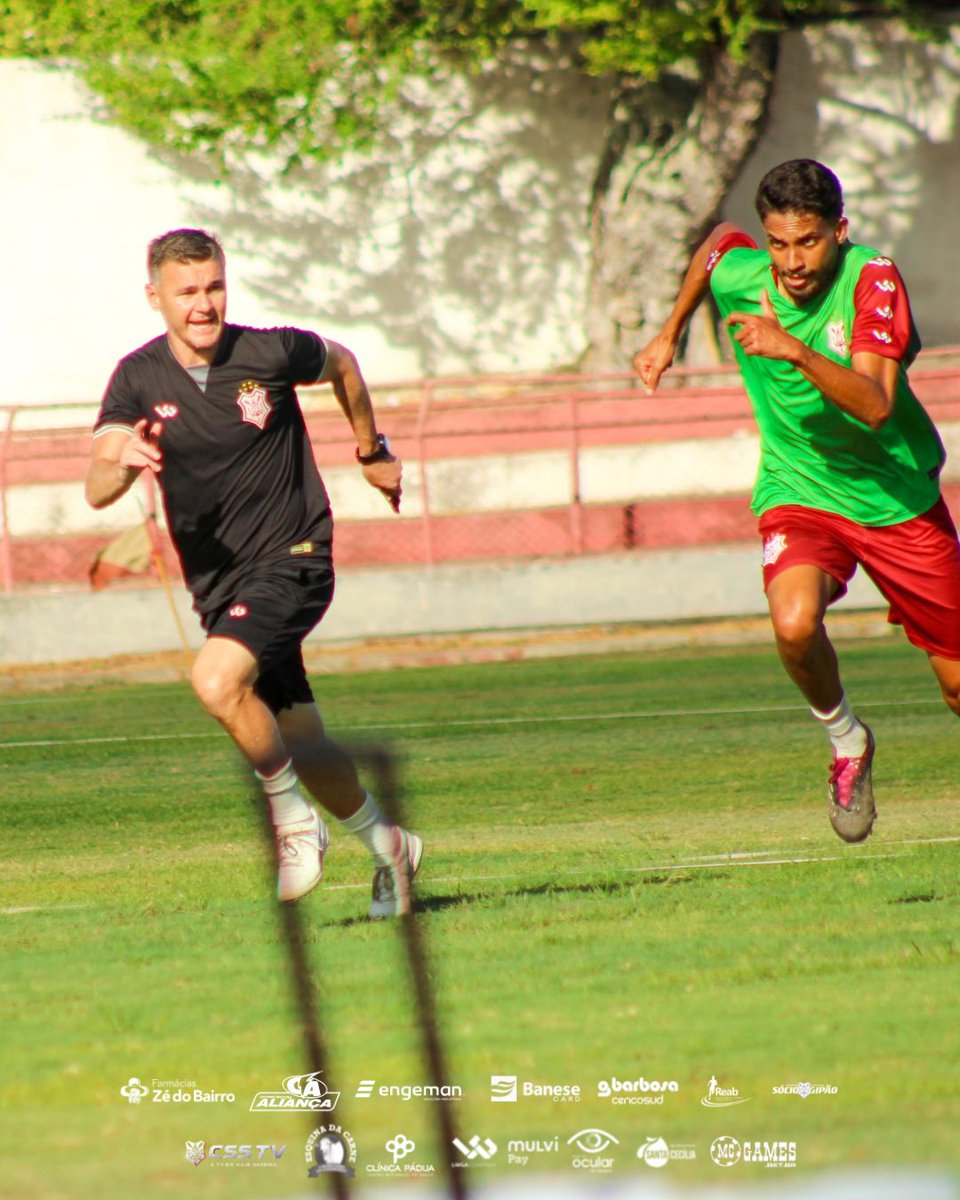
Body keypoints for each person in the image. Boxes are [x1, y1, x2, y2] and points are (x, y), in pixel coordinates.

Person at [85, 227, 422, 915]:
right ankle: (394, 849)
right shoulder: (137, 377)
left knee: (214, 679)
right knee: (301, 737)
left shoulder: (269, 351)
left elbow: (345, 364)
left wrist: (371, 451)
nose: (203, 304)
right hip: (220, 587)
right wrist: (121, 463)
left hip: (295, 556)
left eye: (213, 287)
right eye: (186, 292)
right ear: (156, 298)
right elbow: (95, 485)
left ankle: (294, 823)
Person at [634, 158, 960, 843]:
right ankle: (847, 743)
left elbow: (874, 404)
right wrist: (670, 332)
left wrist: (791, 349)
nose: (791, 261)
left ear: (839, 231)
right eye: (778, 242)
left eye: (807, 241)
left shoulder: (873, 278)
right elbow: (718, 242)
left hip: (893, 498)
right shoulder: (746, 271)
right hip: (799, 488)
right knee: (791, 622)